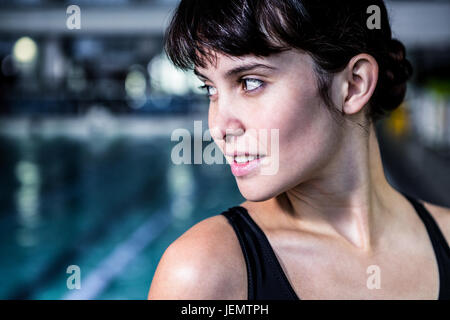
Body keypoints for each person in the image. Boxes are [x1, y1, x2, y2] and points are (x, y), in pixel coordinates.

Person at [148, 0, 450, 300]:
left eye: (250, 82)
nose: (219, 126)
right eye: (210, 89)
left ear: (354, 85)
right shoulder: (202, 272)